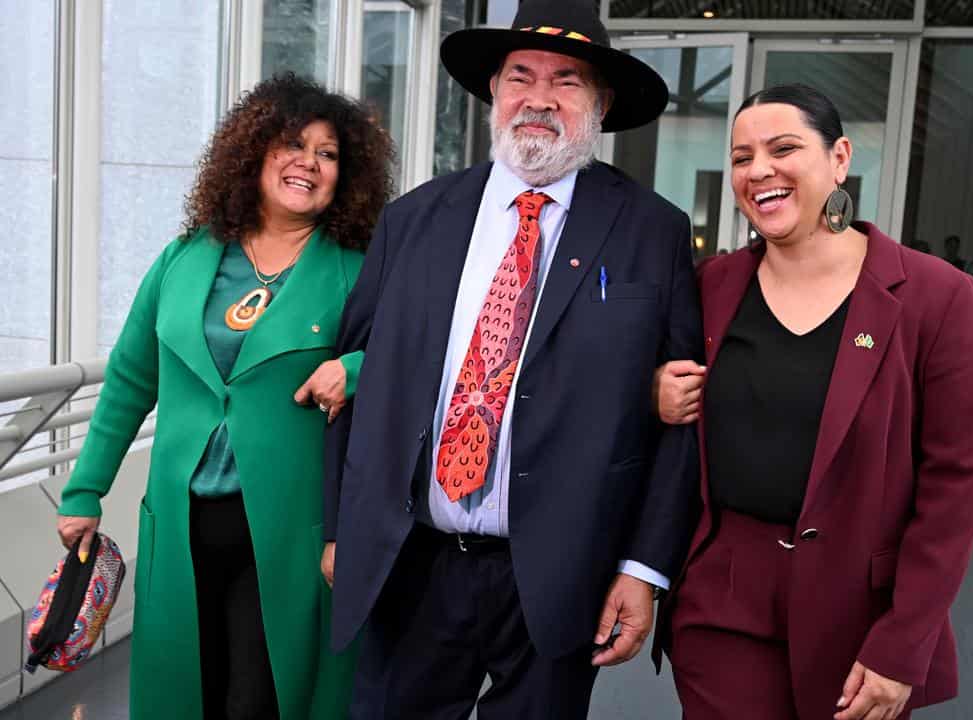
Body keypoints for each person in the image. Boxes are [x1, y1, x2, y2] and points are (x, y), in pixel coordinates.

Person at [322, 1, 702, 718]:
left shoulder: (653, 232)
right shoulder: (414, 219)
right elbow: (360, 372)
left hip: (562, 570)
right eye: (521, 76)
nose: (540, 98)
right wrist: (343, 525)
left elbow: (681, 424)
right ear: (493, 90)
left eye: (567, 81)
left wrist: (643, 570)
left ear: (601, 103)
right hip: (412, 561)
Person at [653, 84, 973, 720]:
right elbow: (656, 402)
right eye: (741, 157)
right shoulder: (713, 288)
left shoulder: (936, 298)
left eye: (784, 149)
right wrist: (658, 394)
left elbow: (956, 483)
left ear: (839, 158)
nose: (759, 170)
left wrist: (904, 642)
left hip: (860, 611)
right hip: (723, 598)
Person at [55, 74, 393, 719]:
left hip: (290, 524)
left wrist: (356, 366)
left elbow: (411, 361)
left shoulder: (358, 268)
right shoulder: (184, 257)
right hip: (182, 517)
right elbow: (130, 379)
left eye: (328, 154)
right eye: (292, 144)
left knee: (261, 694)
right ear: (253, 153)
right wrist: (83, 490)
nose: (309, 163)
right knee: (187, 686)